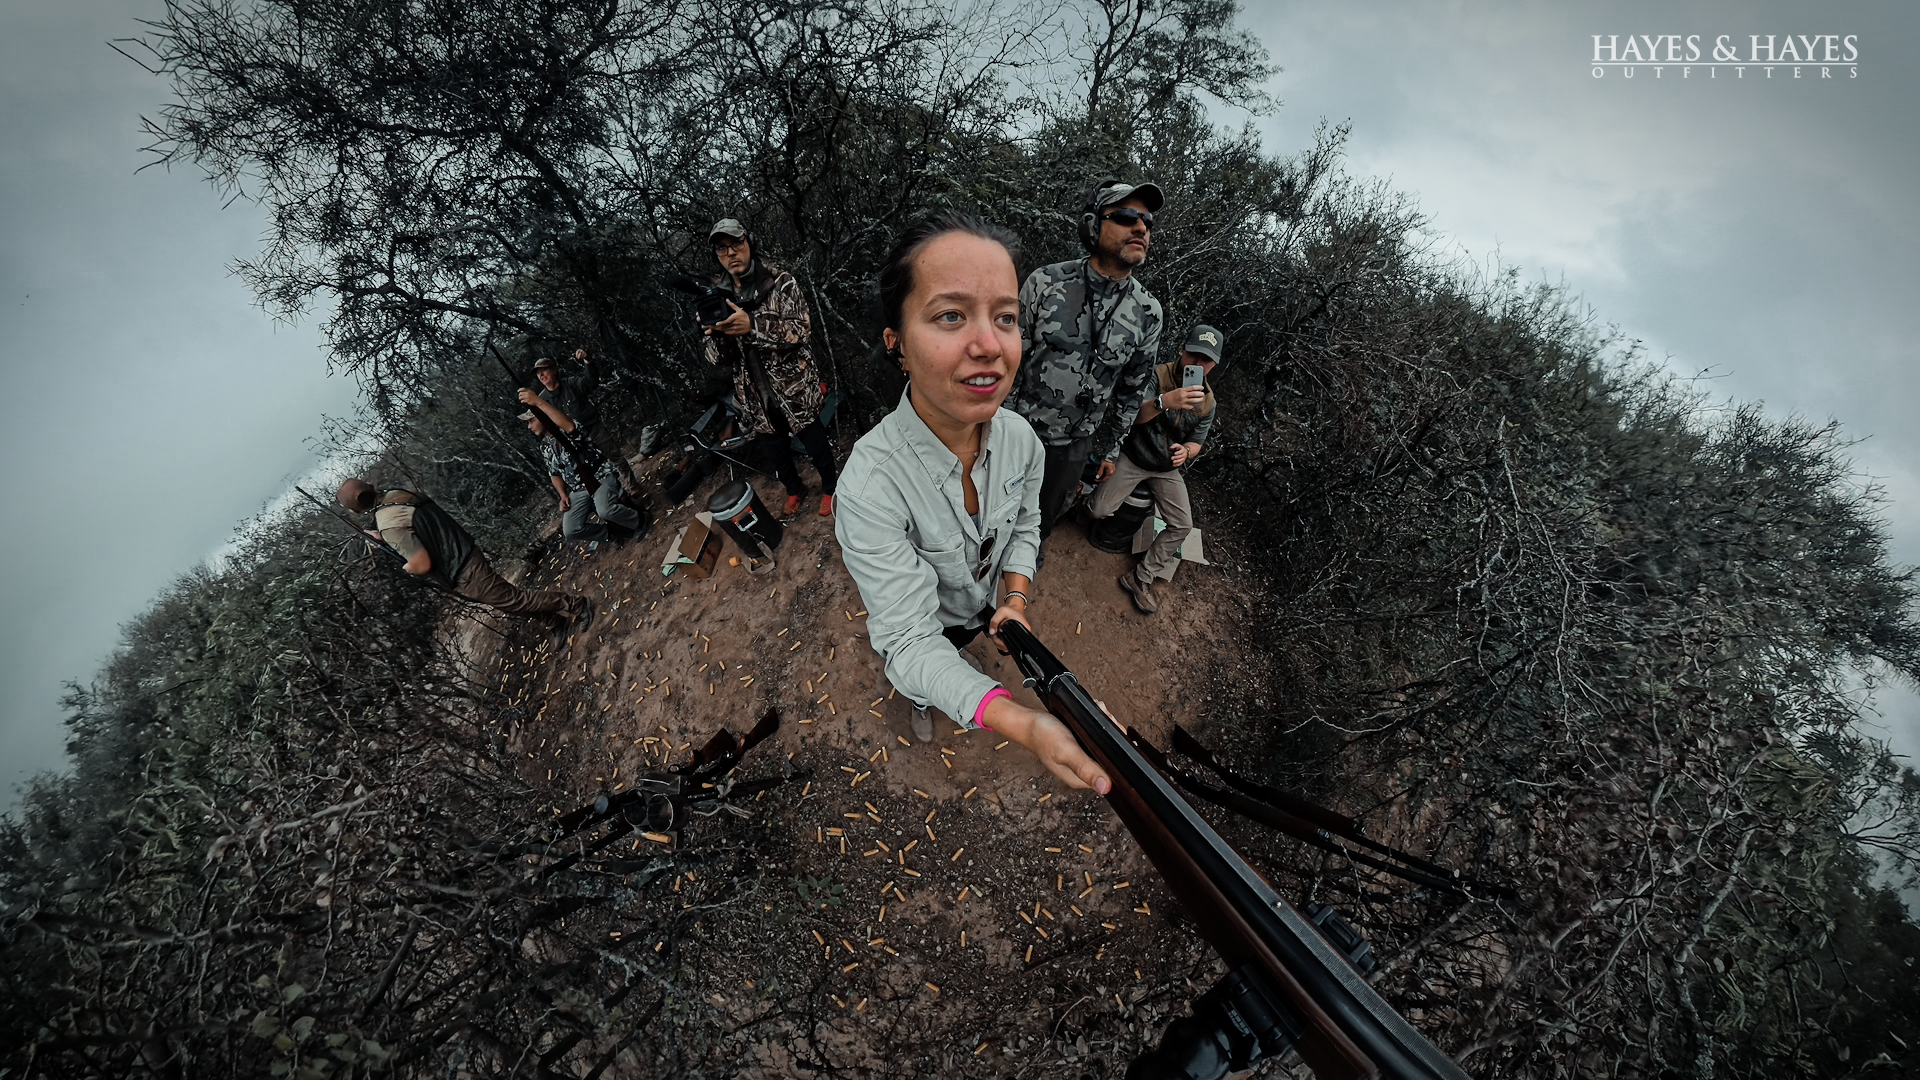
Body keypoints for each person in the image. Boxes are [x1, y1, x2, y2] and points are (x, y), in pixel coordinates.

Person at [834, 209, 1111, 796]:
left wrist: (1014, 599)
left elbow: (1027, 525)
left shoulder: (1022, 441)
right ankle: (922, 698)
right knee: (924, 665)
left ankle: (952, 673)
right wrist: (1025, 724)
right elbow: (909, 637)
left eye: (1005, 317)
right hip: (929, 624)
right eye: (950, 316)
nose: (989, 345)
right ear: (896, 344)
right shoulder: (869, 487)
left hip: (986, 608)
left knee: (964, 645)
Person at [1008, 178, 1165, 553]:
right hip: (1017, 429)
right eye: (1126, 216)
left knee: (1041, 523)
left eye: (1147, 221)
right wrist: (1001, 425)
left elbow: (1132, 391)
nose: (1140, 227)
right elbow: (1010, 360)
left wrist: (1110, 450)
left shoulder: (1148, 312)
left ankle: (1023, 569)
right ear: (1093, 225)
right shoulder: (1046, 282)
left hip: (1073, 447)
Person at [702, 218, 839, 517]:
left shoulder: (780, 282)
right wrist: (718, 335)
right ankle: (794, 489)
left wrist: (752, 326)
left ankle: (831, 487)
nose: (731, 253)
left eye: (736, 243)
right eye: (722, 248)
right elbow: (716, 360)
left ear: (749, 242)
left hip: (793, 388)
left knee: (815, 442)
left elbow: (801, 330)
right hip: (755, 396)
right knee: (774, 451)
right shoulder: (716, 297)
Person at [1088, 324, 1224, 614]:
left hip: (1165, 468)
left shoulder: (1208, 403)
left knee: (1182, 524)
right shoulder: (1157, 375)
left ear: (1214, 364)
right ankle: (1083, 490)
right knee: (1097, 510)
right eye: (1194, 355)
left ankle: (1141, 577)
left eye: (1206, 360)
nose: (1198, 364)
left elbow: (1197, 442)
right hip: (1135, 455)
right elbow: (1133, 416)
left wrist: (1186, 452)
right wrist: (1165, 401)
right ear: (1183, 350)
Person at [333, 478, 589, 629]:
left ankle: (576, 605)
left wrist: (406, 566)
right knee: (505, 602)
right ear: (371, 486)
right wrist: (383, 537)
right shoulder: (398, 494)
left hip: (461, 568)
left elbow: (421, 564)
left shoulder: (388, 524)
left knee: (514, 600)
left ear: (355, 511)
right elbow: (413, 525)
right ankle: (553, 622)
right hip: (465, 551)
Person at [518, 389, 643, 545]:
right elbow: (554, 474)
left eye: (531, 421)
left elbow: (570, 428)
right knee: (570, 529)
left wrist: (538, 402)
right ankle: (612, 533)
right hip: (578, 489)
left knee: (605, 510)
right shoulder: (545, 446)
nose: (529, 426)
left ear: (543, 417)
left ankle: (640, 520)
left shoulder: (568, 428)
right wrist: (563, 495)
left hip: (599, 476)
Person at [534, 349, 603, 441]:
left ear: (554, 370)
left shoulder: (571, 383)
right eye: (538, 372)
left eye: (544, 370)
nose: (541, 374)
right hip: (574, 442)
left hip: (596, 432)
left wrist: (588, 360)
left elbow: (591, 383)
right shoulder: (541, 400)